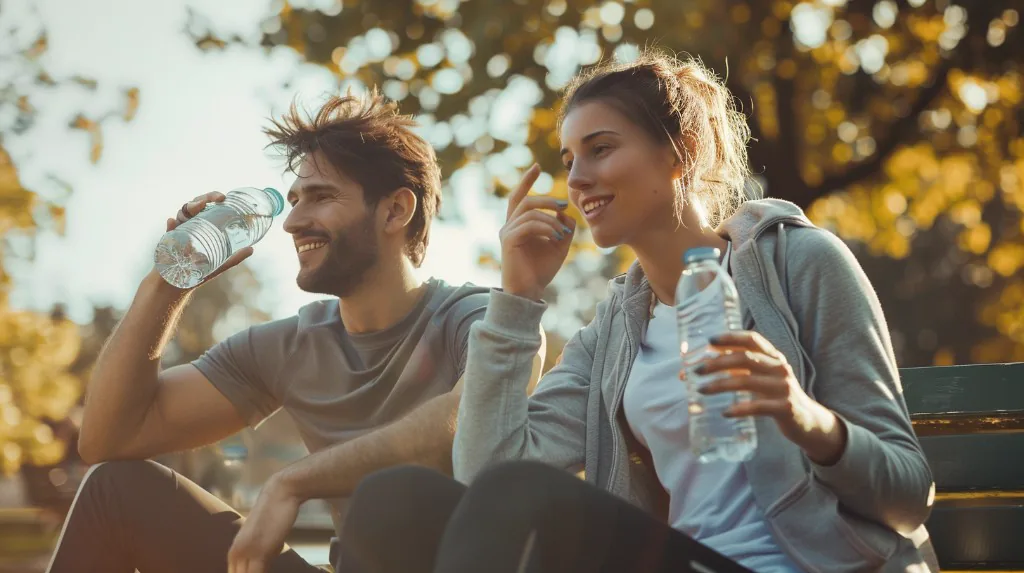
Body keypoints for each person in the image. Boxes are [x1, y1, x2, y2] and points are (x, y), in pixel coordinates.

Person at [335, 50, 940, 573]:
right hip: (681, 559)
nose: (577, 178)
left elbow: (908, 493)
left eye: (600, 150)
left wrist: (802, 415)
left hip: (812, 563)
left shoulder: (800, 264)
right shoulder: (617, 331)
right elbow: (489, 471)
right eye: (569, 160)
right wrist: (518, 298)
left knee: (522, 497)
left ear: (683, 152)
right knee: (392, 500)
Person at [46, 91, 543, 573]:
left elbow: (474, 410)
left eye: (321, 198)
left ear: (395, 210)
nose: (293, 222)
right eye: (294, 200)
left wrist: (294, 481)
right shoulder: (287, 346)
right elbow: (108, 440)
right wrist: (166, 284)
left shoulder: (481, 319)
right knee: (116, 488)